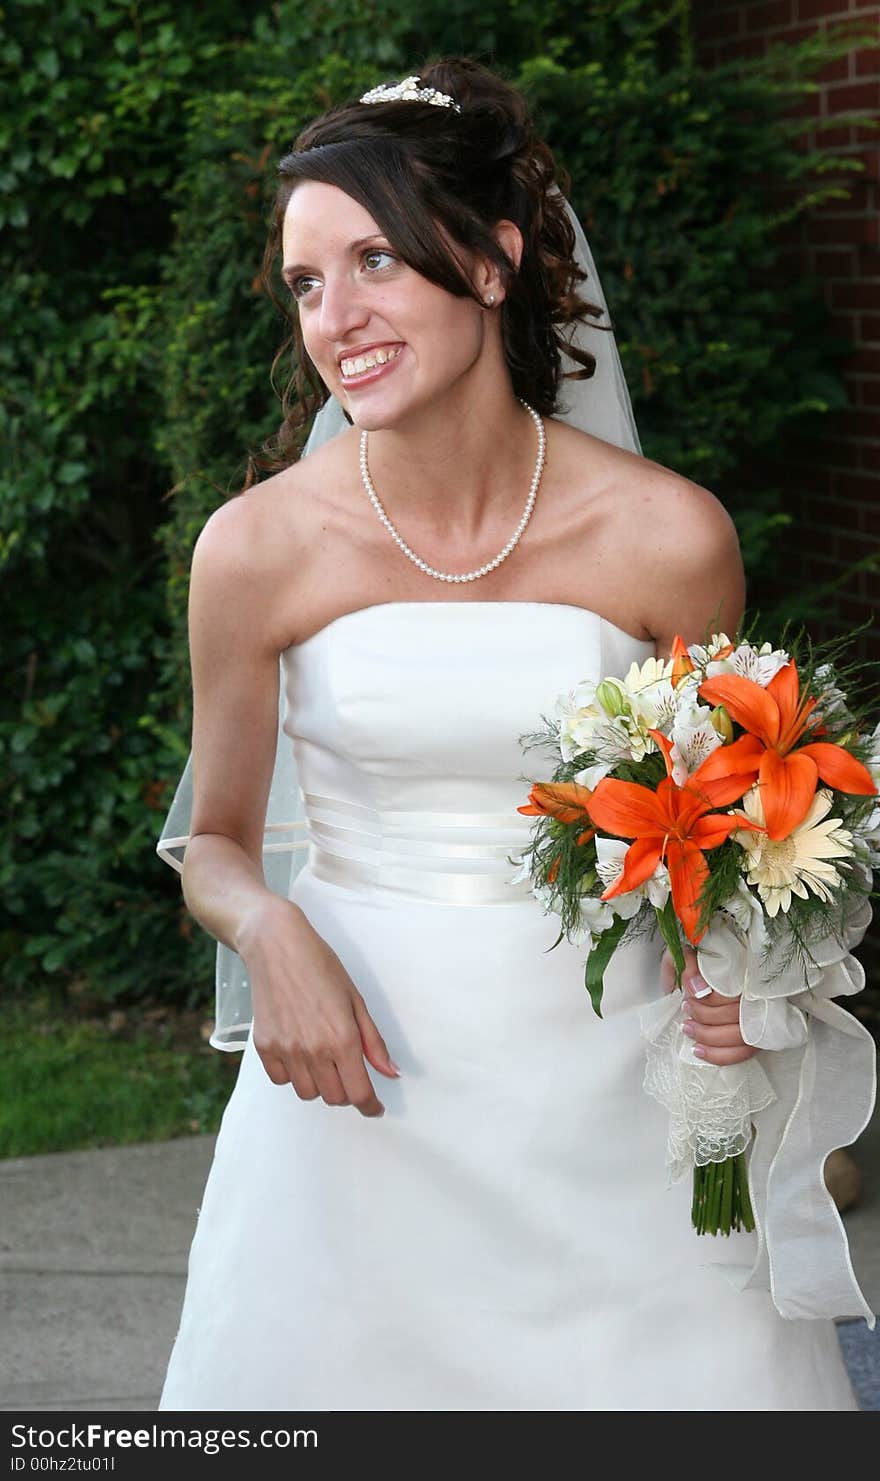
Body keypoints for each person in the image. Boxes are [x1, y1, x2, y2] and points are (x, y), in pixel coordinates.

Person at [156, 58, 860, 1411]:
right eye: (306, 283)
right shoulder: (253, 552)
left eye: (372, 261)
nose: (335, 316)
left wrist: (740, 980)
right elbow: (219, 843)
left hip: (612, 1091)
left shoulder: (667, 535)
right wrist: (269, 929)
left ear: (491, 263)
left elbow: (719, 816)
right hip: (350, 1100)